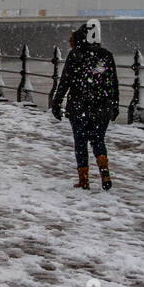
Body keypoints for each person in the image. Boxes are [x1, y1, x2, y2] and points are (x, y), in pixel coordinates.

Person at [50, 19, 119, 190]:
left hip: (79, 107)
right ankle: (104, 169)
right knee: (98, 140)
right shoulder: (105, 56)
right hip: (101, 106)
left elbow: (65, 81)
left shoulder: (75, 56)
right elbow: (112, 83)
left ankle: (84, 179)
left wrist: (57, 102)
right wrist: (115, 105)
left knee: (80, 142)